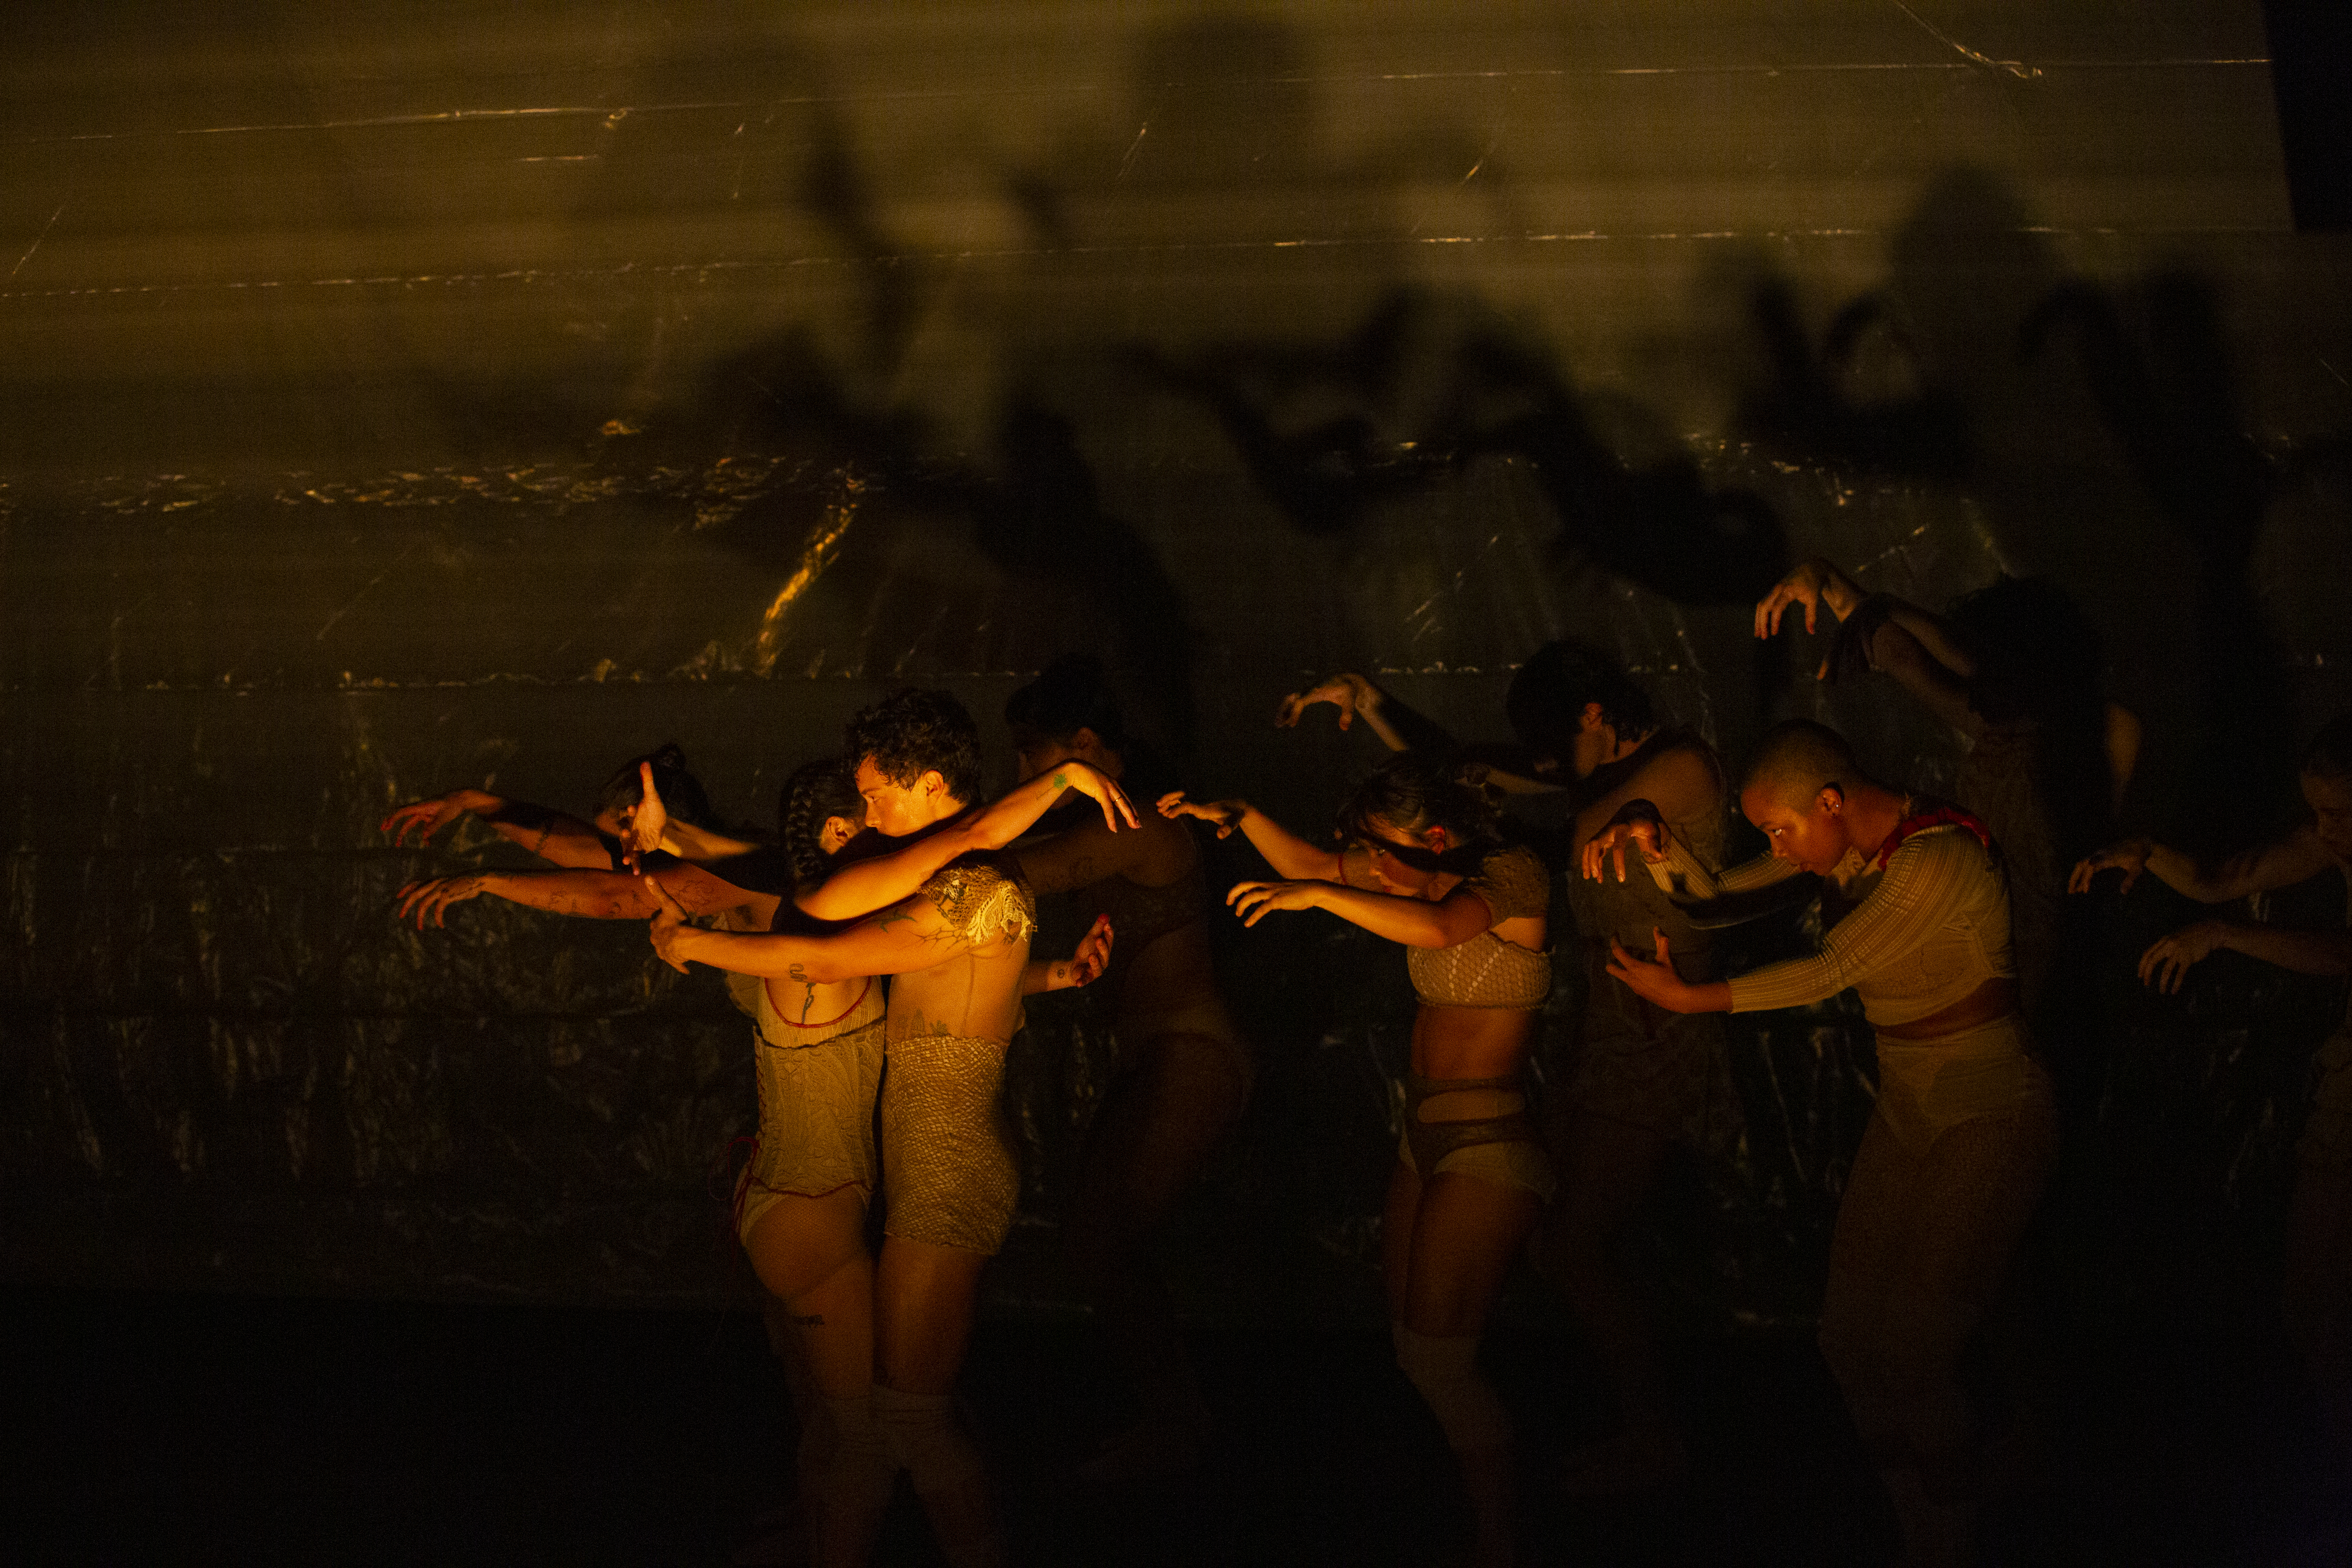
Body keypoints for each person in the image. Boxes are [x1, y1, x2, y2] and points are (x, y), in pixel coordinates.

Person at [649, 689, 1127, 1568]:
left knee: (910, 1415)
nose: (863, 813)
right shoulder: (955, 883)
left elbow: (828, 955)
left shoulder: (972, 885)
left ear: (931, 784)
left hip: (948, 1169)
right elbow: (948, 981)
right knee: (902, 1410)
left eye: (875, 796)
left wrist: (698, 947)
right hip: (924, 1165)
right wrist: (1052, 974)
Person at [1598, 719, 2055, 1568]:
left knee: (1917, 1356)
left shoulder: (1935, 857)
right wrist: (1657, 844)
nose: (1778, 846)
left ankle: (1950, 1546)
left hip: (1989, 1107)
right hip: (1912, 1102)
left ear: (1832, 803)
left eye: (1782, 829)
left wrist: (1693, 999)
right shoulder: (1843, 850)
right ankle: (1920, 1529)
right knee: (1847, 1339)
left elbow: (1827, 969)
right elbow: (1716, 895)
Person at [1283, 644, 1740, 1492]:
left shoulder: (1673, 768)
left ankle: (1657, 1437)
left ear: (1597, 717)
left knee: (1570, 1249)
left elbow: (1530, 823)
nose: (1540, 760)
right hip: (1603, 1023)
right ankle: (1617, 1425)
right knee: (1557, 1247)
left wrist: (1481, 801)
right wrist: (1378, 709)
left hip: (1656, 1024)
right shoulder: (1593, 779)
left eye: (1549, 742)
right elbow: (1467, 788)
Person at [1164, 755, 1550, 1568]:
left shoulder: (1509, 875)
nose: (1374, 869)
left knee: (1444, 1365)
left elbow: (1444, 930)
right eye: (1368, 855)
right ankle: (1472, 1518)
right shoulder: (1411, 878)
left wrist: (1321, 896)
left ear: (1437, 834)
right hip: (1426, 1135)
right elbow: (1308, 865)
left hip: (1490, 1144)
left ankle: (1501, 1540)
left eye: (1383, 851)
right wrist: (1243, 812)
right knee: (1416, 1353)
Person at [2070, 713, 2352, 1488]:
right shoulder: (2329, 840)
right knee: (2310, 1299)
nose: (2329, 832)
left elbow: (2340, 954)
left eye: (2343, 812)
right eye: (2318, 812)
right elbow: (2230, 876)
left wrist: (2224, 937)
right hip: (2345, 1095)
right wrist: (2147, 851)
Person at [1001, 655, 1252, 1481]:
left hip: (1191, 1055)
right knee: (1099, 1236)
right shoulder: (1108, 821)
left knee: (1101, 1236)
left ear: (1078, 744)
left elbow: (1020, 868)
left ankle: (1179, 1422)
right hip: (1159, 1057)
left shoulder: (1132, 823)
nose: (1021, 777)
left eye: (1028, 757)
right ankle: (1177, 1414)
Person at [1753, 561, 2139, 1063]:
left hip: (2054, 992)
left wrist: (1887, 607)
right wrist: (1830, 583)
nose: (1972, 666)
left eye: (1987, 656)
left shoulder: (2103, 734)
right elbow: (1905, 657)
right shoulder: (2000, 733)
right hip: (1979, 974)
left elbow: (1943, 653)